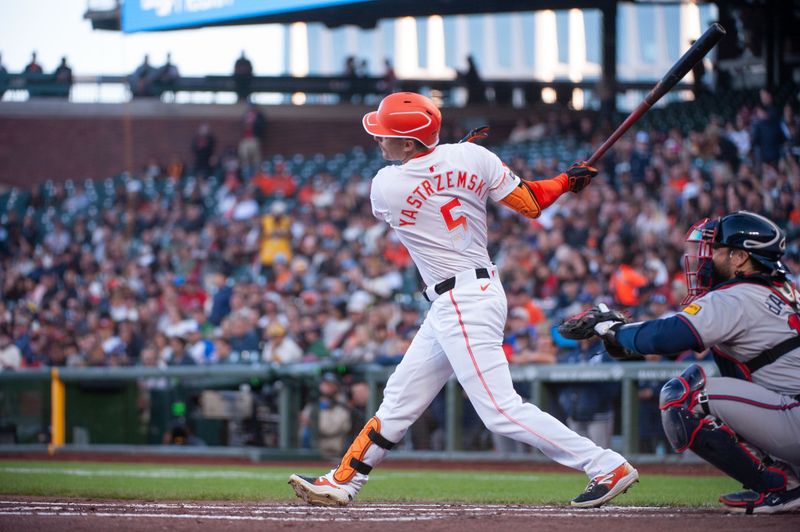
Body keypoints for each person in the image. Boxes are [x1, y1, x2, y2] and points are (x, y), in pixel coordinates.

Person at [289, 91, 638, 508]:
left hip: (464, 302)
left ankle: (605, 464)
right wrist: (565, 181)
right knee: (400, 398)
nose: (378, 141)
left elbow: (431, 179)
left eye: (386, 135)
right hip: (464, 296)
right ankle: (343, 481)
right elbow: (531, 203)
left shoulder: (386, 185)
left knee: (499, 410)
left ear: (408, 143)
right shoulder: (474, 157)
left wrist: (453, 158)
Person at [575, 211, 800, 514]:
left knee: (685, 395)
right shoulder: (781, 290)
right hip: (788, 411)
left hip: (794, 417)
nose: (705, 260)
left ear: (740, 258)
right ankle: (788, 476)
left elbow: (668, 337)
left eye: (716, 251)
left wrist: (614, 330)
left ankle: (780, 487)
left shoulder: (737, 295)